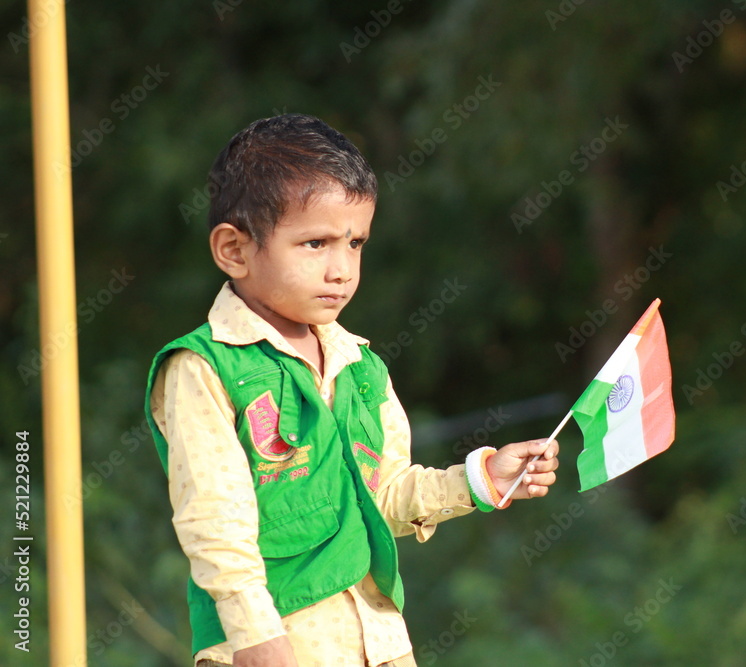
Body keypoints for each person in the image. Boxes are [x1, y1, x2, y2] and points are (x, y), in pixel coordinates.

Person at [144, 113, 559, 667]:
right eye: (315, 243)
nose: (341, 268)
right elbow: (214, 520)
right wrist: (256, 636)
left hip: (380, 645)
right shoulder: (203, 367)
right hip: (272, 648)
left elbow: (382, 496)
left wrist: (479, 479)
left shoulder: (360, 365)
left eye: (356, 242)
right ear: (235, 250)